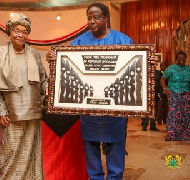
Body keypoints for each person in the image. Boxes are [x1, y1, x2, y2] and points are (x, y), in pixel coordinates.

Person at [47, 3, 132, 179]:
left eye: (96, 17)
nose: (92, 21)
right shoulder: (78, 42)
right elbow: (67, 67)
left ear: (106, 18)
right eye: (89, 18)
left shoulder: (123, 41)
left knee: (116, 156)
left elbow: (134, 70)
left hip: (115, 113)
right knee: (92, 157)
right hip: (89, 112)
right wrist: (55, 59)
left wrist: (148, 61)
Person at [0, 13, 47, 180]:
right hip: (11, 114)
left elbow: (43, 79)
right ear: (10, 32)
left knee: (30, 151)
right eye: (17, 30)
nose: (21, 35)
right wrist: (1, 111)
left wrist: (50, 92)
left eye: (25, 31)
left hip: (32, 112)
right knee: (10, 152)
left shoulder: (34, 53)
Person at [161, 51, 190, 141]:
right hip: (174, 93)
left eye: (183, 58)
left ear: (186, 59)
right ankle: (171, 133)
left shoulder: (188, 69)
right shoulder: (171, 68)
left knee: (185, 114)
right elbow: (162, 79)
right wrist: (165, 88)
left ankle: (185, 134)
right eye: (179, 58)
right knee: (173, 113)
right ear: (176, 59)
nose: (182, 60)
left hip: (186, 94)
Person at [141, 66, 161, 131]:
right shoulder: (144, 72)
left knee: (154, 110)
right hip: (145, 93)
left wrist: (160, 93)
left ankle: (153, 125)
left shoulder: (158, 73)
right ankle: (144, 125)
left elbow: (160, 83)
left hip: (155, 94)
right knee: (145, 110)